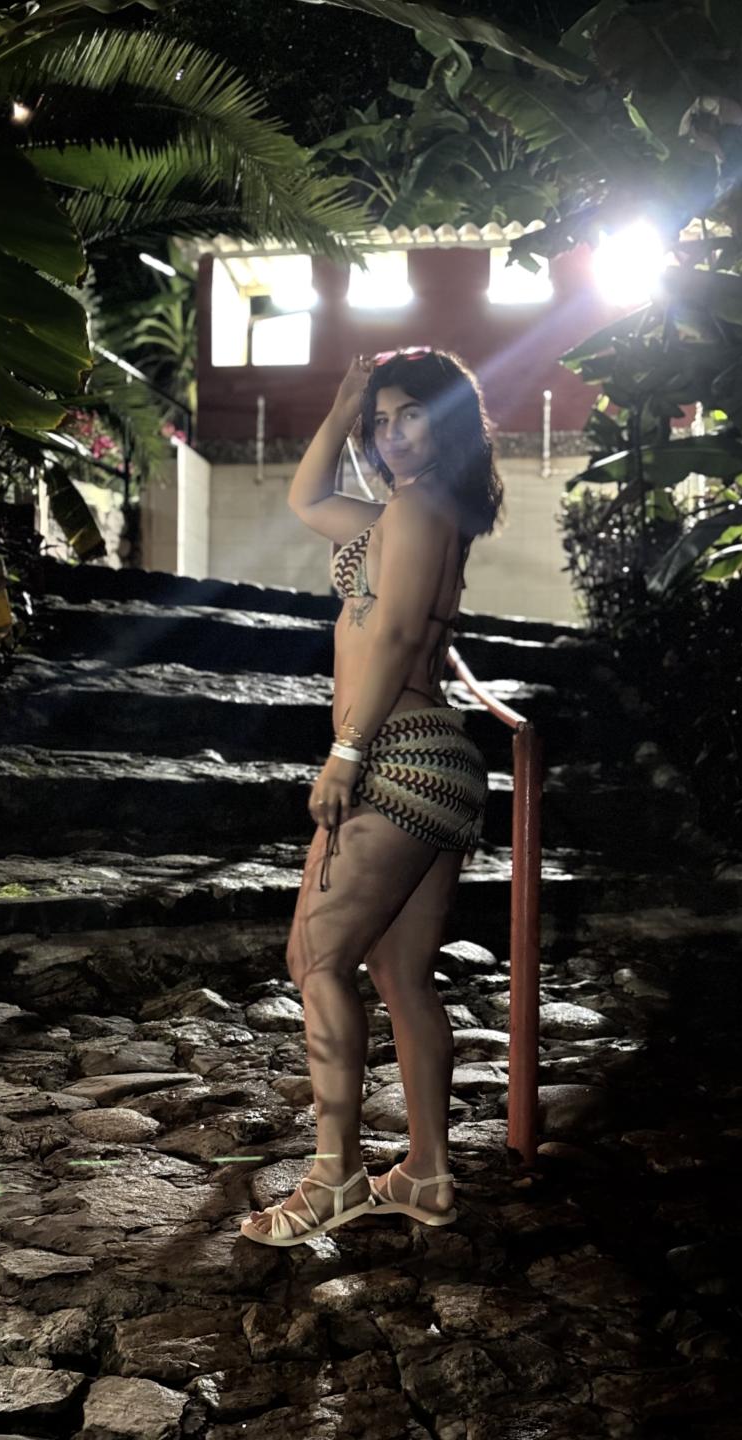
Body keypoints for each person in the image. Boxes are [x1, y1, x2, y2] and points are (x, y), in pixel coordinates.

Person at [240, 347, 505, 1247]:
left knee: (315, 960)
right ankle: (425, 1175)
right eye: (380, 422)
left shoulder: (422, 507)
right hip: (435, 764)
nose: (391, 435)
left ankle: (335, 1177)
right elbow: (308, 499)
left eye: (410, 416)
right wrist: (345, 402)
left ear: (449, 423)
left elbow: (391, 634)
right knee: (400, 974)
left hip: (396, 755)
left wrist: (347, 751)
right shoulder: (408, 510)